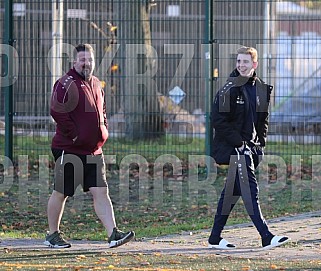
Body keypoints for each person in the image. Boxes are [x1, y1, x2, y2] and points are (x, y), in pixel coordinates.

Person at [45, 43, 135, 248]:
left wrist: (104, 129)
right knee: (61, 192)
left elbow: (102, 111)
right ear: (75, 62)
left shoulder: (96, 83)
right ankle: (52, 234)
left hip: (94, 150)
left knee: (101, 192)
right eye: (83, 60)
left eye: (90, 60)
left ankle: (113, 234)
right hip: (70, 149)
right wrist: (75, 135)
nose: (86, 64)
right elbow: (57, 111)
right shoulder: (65, 83)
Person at [208, 46, 289, 250]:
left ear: (255, 64)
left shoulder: (261, 88)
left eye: (245, 62)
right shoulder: (229, 87)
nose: (241, 66)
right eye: (238, 61)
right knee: (250, 190)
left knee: (231, 194)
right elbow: (218, 120)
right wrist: (240, 144)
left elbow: (263, 120)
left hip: (251, 149)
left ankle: (215, 238)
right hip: (236, 149)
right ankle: (266, 236)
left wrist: (260, 145)